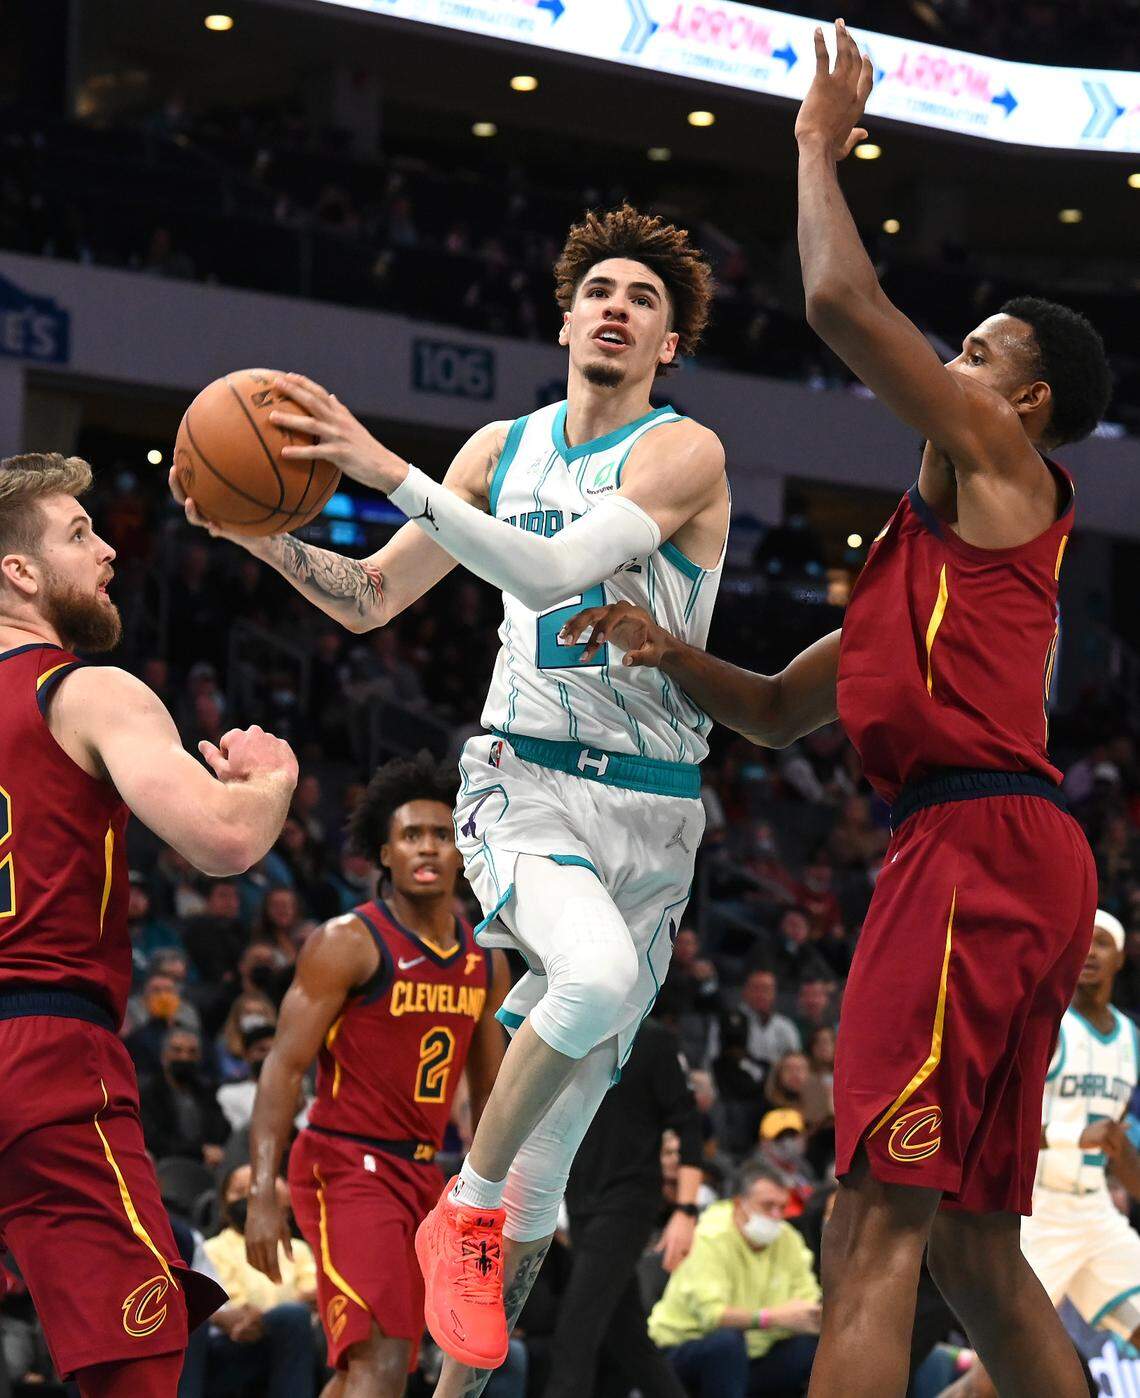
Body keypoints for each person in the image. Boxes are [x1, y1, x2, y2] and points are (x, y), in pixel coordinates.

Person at [557, 21, 1112, 1397]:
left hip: (975, 847)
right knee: (975, 1245)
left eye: (974, 349)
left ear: (1024, 399)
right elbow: (769, 710)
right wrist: (662, 649)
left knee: (870, 1223)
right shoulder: (915, 572)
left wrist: (816, 149)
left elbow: (843, 306)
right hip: (1014, 849)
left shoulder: (999, 456)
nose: (949, 360)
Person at [173, 203, 729, 1390]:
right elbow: (371, 597)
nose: (618, 309)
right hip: (525, 783)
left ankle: (473, 1303)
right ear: (567, 314)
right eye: (601, 292)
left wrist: (381, 469)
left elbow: (550, 569)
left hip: (658, 816)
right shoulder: (496, 451)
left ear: (669, 344)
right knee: (588, 983)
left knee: (538, 1199)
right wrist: (259, 530)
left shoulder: (685, 454)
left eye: (645, 301)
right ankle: (461, 1203)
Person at [0, 451, 297, 1397]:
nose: (107, 553)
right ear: (18, 571)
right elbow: (219, 841)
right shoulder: (86, 688)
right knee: (137, 1365)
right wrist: (269, 782)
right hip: (46, 1048)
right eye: (79, 535)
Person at [245, 753, 510, 1397]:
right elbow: (283, 1069)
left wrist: (492, 1197)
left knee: (379, 1366)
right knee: (382, 1360)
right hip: (345, 1167)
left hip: (427, 1176)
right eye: (411, 835)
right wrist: (261, 1190)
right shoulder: (347, 942)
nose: (427, 847)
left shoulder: (483, 958)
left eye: (442, 835)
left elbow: (493, 1095)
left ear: (461, 848)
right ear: (383, 854)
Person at [946, 909, 1140, 1396]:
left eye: (1103, 944)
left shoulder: (1131, 1040)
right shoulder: (1045, 1023)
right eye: (1084, 943)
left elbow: (1115, 1145)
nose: (1091, 952)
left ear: (1121, 957)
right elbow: (995, 1122)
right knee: (991, 1381)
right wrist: (1077, 1135)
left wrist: (1122, 1157)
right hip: (1036, 1211)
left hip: (1095, 1210)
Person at [542, 1015, 704, 1398]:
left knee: (574, 1331)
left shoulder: (652, 1039)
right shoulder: (567, 1025)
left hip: (629, 1200)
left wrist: (686, 1211)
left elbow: (689, 1123)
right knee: (627, 1335)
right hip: (580, 1199)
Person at [647, 1161, 820, 1398]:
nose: (776, 1216)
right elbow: (713, 1317)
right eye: (768, 1206)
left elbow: (807, 1307)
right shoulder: (709, 1237)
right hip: (686, 1348)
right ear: (739, 1204)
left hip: (754, 1354)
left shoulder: (788, 1239)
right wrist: (773, 1317)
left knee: (812, 1347)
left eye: (782, 1207)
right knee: (726, 1344)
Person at [203, 1164, 319, 1398]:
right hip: (234, 1343)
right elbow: (230, 1311)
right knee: (292, 1316)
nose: (249, 1200)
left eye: (258, 1192)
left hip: (293, 1336)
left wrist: (273, 1316)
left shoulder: (297, 1249)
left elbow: (314, 1296)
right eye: (240, 1191)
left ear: (284, 1207)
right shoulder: (212, 1249)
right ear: (224, 1204)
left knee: (297, 1320)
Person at [137, 1025, 231, 1167]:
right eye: (177, 1051)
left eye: (192, 1052)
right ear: (164, 1056)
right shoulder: (149, 1093)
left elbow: (223, 1130)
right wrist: (199, 1152)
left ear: (199, 1057)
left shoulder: (207, 1092)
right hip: (164, 1167)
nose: (185, 1057)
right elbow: (153, 1140)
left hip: (209, 1167)